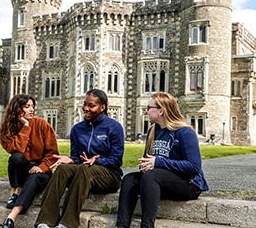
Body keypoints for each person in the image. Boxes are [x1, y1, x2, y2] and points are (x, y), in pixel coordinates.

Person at [115, 92, 209, 228]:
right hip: (161, 181)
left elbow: (194, 167)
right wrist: (146, 165)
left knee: (151, 176)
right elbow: (150, 161)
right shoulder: (153, 131)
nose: (146, 111)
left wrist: (158, 162)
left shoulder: (184, 132)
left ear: (161, 111)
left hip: (189, 184)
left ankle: (147, 225)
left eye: (149, 108)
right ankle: (121, 225)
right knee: (129, 179)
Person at [34, 88, 125, 228]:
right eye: (85, 104)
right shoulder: (77, 129)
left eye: (91, 105)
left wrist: (98, 160)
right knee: (62, 169)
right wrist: (71, 159)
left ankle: (67, 223)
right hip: (83, 173)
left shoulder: (114, 127)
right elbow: (77, 157)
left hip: (109, 176)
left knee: (85, 169)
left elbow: (116, 160)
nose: (86, 108)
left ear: (103, 107)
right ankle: (45, 220)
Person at [0, 94, 59, 228]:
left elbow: (53, 154)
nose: (31, 110)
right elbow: (16, 149)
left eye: (32, 107)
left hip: (41, 170)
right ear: (17, 109)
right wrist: (26, 127)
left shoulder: (42, 124)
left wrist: (41, 167)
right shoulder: (7, 129)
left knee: (35, 177)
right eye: (27, 106)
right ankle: (14, 192)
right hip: (23, 170)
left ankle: (12, 216)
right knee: (16, 157)